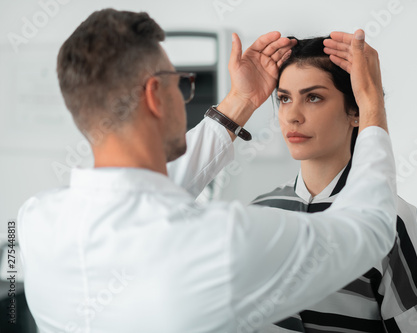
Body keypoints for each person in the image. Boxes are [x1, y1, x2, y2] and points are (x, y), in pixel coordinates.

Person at [17, 8, 397, 333]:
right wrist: (372, 103)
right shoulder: (222, 239)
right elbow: (370, 229)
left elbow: (143, 196)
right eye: (180, 83)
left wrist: (242, 101)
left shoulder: (36, 221)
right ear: (154, 95)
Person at [252, 37, 417, 333]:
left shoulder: (393, 217)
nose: (292, 116)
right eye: (284, 98)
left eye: (313, 97)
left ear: (356, 111)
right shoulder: (259, 211)